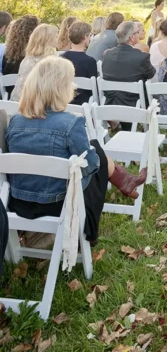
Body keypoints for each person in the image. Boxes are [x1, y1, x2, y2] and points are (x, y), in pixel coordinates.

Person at [6, 58, 148, 244]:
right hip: (58, 204)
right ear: (62, 87)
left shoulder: (15, 121)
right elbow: (90, 166)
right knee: (95, 156)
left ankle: (126, 180)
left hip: (19, 202)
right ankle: (124, 182)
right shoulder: (71, 123)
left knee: (94, 151)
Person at [101, 20, 156, 108]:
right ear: (132, 37)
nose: (139, 34)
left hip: (109, 104)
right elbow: (151, 74)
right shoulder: (141, 57)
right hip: (134, 105)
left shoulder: (107, 54)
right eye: (138, 32)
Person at [11, 23, 59, 102]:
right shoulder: (50, 61)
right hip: (34, 104)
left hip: (16, 102)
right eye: (56, 36)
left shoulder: (27, 59)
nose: (58, 39)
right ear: (47, 39)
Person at [61, 20, 98, 105]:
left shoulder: (61, 58)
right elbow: (93, 88)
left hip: (64, 101)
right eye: (89, 35)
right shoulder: (90, 61)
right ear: (85, 37)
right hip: (84, 103)